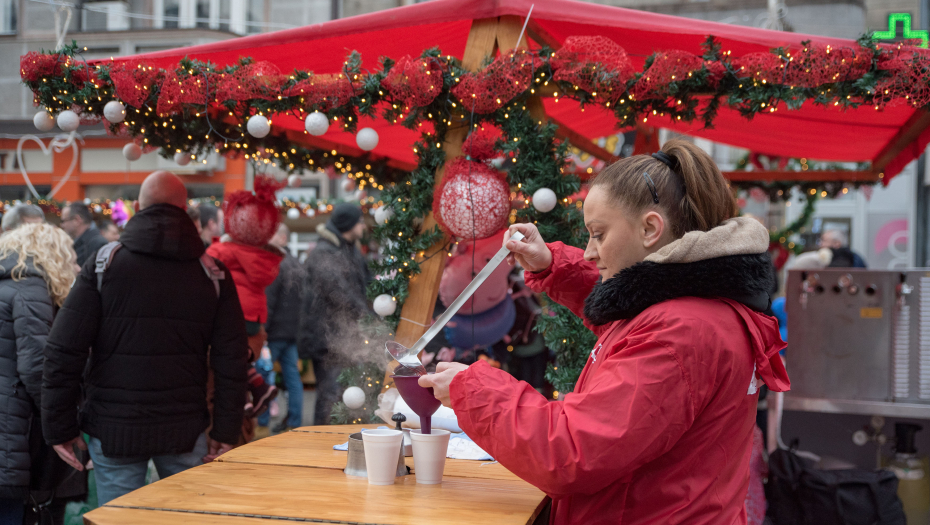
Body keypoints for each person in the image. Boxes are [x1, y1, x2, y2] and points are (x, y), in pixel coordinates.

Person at [419, 140, 791, 524]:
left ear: (650, 229)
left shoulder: (681, 332)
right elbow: (627, 311)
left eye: (598, 234)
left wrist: (473, 389)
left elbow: (571, 452)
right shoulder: (692, 301)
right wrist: (553, 265)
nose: (591, 251)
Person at [41, 171, 250, 506]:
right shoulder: (212, 273)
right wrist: (225, 430)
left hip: (114, 429)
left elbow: (63, 350)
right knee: (185, 517)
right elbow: (232, 358)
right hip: (185, 429)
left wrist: (59, 427)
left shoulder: (103, 265)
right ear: (185, 209)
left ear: (137, 207)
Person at [0, 224, 78, 524]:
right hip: (11, 423)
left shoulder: (6, 284)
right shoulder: (30, 287)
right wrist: (61, 425)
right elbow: (36, 367)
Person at [298, 203, 370, 425]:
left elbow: (363, 286)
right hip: (328, 339)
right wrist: (368, 317)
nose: (363, 225)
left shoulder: (348, 249)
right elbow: (341, 293)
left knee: (344, 393)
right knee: (331, 393)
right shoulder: (324, 253)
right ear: (348, 224)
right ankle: (320, 440)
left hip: (344, 337)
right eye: (359, 221)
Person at [259, 223, 304, 432]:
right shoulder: (295, 263)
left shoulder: (274, 263)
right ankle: (294, 421)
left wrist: (262, 331)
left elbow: (269, 301)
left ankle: (263, 421)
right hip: (292, 331)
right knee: (292, 378)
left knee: (266, 377)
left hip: (274, 331)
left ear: (283, 238)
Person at [60, 203, 108, 267]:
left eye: (63, 221)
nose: (62, 225)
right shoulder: (82, 242)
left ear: (76, 220)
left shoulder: (97, 244)